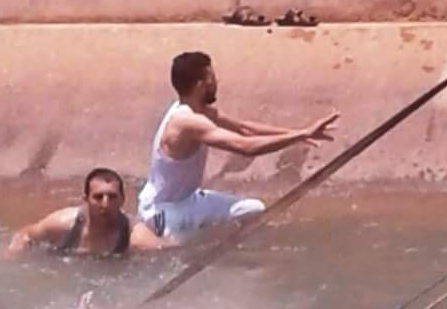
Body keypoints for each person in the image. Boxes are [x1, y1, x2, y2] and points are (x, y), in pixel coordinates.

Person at [138, 50, 338, 240]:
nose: (216, 82)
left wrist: (299, 133)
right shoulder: (186, 122)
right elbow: (245, 146)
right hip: (164, 209)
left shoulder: (197, 111)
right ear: (200, 85)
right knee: (181, 253)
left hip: (189, 199)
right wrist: (302, 134)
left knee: (253, 210)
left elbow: (244, 129)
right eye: (212, 78)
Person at [8, 168, 164, 256]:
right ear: (86, 199)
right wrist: (12, 254)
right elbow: (26, 234)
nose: (105, 203)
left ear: (122, 200)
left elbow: (167, 255)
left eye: (112, 197)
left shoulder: (136, 237)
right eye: (98, 197)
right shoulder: (63, 224)